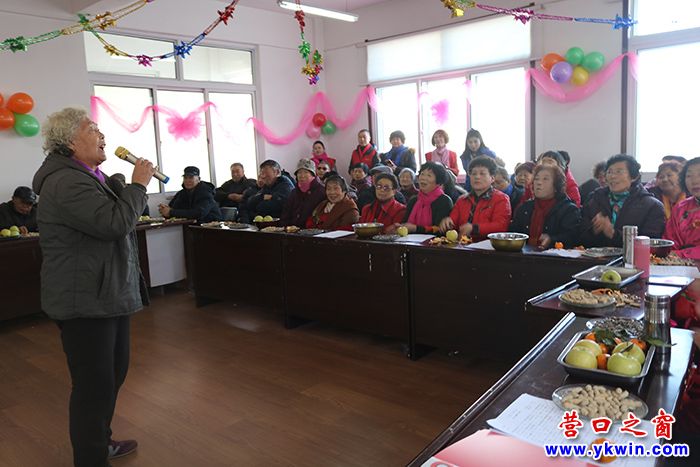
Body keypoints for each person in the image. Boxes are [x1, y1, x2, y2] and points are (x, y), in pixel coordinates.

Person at [32, 107, 156, 467]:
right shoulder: (66, 182)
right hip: (83, 299)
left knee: (112, 375)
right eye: (94, 130)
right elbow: (114, 224)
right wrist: (137, 186)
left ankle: (101, 442)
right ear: (71, 141)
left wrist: (121, 188)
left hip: (104, 293)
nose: (103, 136)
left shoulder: (89, 177)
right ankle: (91, 458)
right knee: (93, 386)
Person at [580, 154, 665, 247]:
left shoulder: (652, 206)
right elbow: (581, 238)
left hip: (630, 256)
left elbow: (649, 244)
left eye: (619, 172)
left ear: (634, 177)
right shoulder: (594, 199)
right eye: (609, 172)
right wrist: (593, 230)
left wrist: (613, 233)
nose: (612, 176)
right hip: (594, 256)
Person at [439, 156, 511, 242]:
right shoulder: (462, 200)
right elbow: (453, 222)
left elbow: (501, 226)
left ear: (492, 178)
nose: (477, 177)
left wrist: (475, 228)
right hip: (462, 246)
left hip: (488, 247)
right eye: (473, 174)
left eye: (482, 173)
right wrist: (447, 222)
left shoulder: (501, 199)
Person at [509, 165, 581, 249]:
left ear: (556, 185)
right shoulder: (525, 207)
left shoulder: (569, 209)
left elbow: (572, 237)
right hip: (523, 254)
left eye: (545, 179)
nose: (539, 183)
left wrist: (551, 240)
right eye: (536, 179)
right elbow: (513, 233)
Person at [396, 162, 453, 234]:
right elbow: (405, 224)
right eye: (422, 174)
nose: (423, 178)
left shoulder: (444, 201)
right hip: (410, 240)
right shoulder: (413, 200)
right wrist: (398, 226)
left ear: (438, 181)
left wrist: (416, 228)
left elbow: (440, 230)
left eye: (429, 175)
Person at [664, 157, 700, 260]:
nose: (694, 181)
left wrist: (680, 255)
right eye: (689, 176)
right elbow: (670, 242)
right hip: (680, 264)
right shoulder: (681, 208)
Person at [281, 159, 326, 228]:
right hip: (292, 230)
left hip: (312, 230)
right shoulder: (294, 192)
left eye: (306, 172)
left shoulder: (322, 191)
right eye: (299, 172)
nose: (302, 175)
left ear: (313, 174)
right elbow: (286, 214)